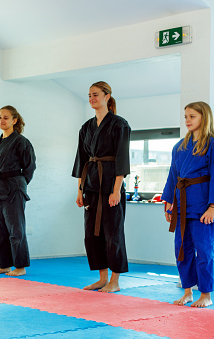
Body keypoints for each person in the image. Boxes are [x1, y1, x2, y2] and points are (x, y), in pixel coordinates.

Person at [72, 81, 131, 293]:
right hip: (90, 186)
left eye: (95, 95)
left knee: (112, 233)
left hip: (110, 187)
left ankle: (115, 280)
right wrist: (79, 190)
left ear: (107, 96)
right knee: (92, 234)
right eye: (89, 95)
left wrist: (116, 190)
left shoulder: (119, 124)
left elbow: (122, 159)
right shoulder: (86, 127)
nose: (91, 99)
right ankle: (102, 278)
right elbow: (81, 160)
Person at [162, 101, 214, 308]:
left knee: (204, 251)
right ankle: (188, 291)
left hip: (202, 206)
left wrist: (213, 206)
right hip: (182, 205)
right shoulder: (179, 147)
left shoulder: (211, 144)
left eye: (192, 116)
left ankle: (206, 294)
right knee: (182, 250)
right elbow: (173, 177)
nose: (187, 120)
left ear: (204, 117)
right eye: (185, 117)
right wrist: (169, 203)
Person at [0, 105, 36, 276]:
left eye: (6, 117)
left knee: (16, 230)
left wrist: (19, 184)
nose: (1, 120)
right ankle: (5, 264)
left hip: (14, 189)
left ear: (14, 120)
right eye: (0, 117)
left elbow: (29, 167)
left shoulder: (21, 142)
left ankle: (20, 266)